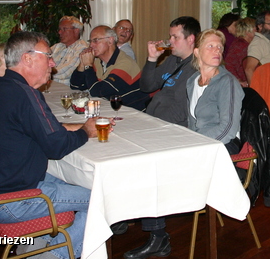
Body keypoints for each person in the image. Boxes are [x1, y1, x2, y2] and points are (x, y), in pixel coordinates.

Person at [0, 31, 99, 259]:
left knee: (76, 178)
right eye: (48, 56)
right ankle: (52, 255)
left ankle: (33, 247)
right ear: (27, 59)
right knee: (100, 197)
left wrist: (69, 129)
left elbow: (36, 129)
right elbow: (56, 147)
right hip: (13, 200)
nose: (53, 63)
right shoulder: (24, 94)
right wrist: (86, 131)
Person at [126, 18, 201, 258]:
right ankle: (122, 212)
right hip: (156, 124)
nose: (170, 41)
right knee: (120, 149)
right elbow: (146, 87)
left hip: (177, 132)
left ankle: (159, 237)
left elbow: (185, 111)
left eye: (175, 37)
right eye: (170, 36)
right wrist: (150, 59)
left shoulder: (198, 68)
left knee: (145, 165)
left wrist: (154, 126)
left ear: (191, 39)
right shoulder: (172, 60)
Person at [187, 29, 243, 153]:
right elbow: (192, 122)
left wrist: (198, 144)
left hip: (224, 143)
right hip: (199, 141)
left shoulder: (227, 82)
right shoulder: (192, 81)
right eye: (210, 46)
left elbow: (228, 128)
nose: (217, 50)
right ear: (197, 52)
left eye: (220, 47)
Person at [70, 25, 148, 110]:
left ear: (110, 41)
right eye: (90, 41)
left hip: (131, 112)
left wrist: (88, 65)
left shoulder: (125, 63)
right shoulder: (97, 61)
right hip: (110, 109)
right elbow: (75, 86)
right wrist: (82, 63)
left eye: (95, 40)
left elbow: (99, 92)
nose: (91, 45)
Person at [51, 16, 89, 86]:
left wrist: (43, 74)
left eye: (64, 29)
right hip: (50, 85)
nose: (59, 32)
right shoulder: (57, 46)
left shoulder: (82, 48)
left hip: (67, 90)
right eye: (59, 29)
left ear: (76, 31)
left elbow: (65, 73)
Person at [225, 18, 255, 87]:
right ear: (248, 31)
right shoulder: (241, 45)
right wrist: (239, 80)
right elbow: (229, 64)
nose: (257, 30)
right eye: (254, 28)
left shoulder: (244, 43)